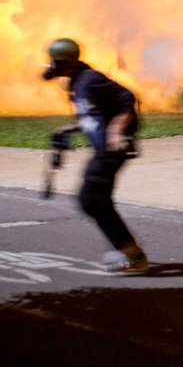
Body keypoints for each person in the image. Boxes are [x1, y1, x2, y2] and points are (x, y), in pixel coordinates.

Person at [41, 37, 148, 273]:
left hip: (113, 149)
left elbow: (128, 99)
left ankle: (132, 255)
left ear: (65, 62)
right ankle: (128, 251)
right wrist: (71, 128)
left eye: (55, 62)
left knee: (90, 200)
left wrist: (117, 130)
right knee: (99, 201)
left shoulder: (91, 79)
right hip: (105, 150)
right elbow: (93, 115)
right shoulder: (75, 84)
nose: (52, 66)